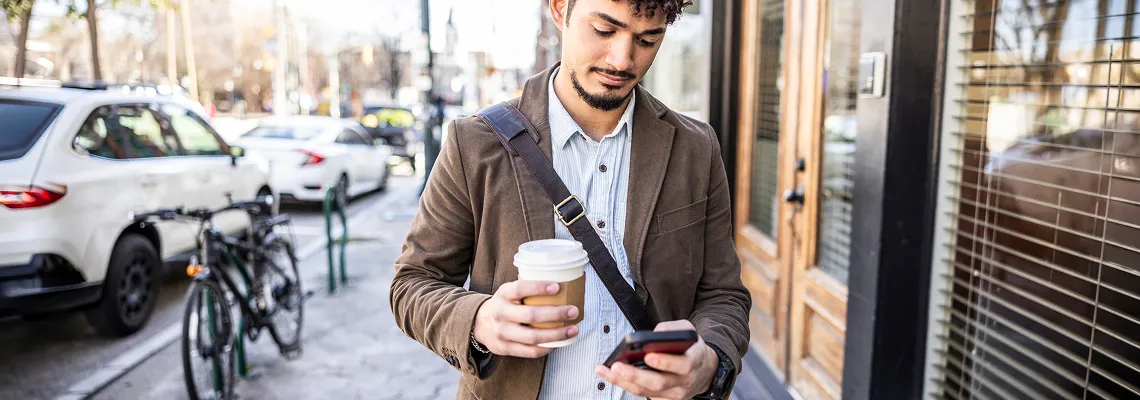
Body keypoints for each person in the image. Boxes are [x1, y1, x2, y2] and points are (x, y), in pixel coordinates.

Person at [390, 1, 751, 399]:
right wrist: (478, 320)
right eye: (604, 30)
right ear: (560, 9)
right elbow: (412, 284)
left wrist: (711, 361)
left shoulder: (696, 148)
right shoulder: (474, 144)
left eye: (647, 40)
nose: (622, 59)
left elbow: (723, 294)